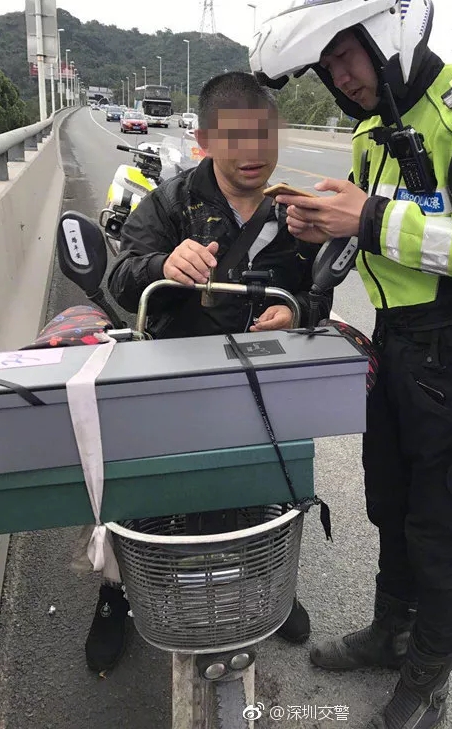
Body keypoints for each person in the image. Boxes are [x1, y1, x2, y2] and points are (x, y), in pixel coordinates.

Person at [250, 0, 452, 729]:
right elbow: (376, 237)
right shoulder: (373, 132)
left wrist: (371, 216)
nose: (341, 77)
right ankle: (391, 631)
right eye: (327, 67)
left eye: (347, 55)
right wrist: (324, 234)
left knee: (439, 529)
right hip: (400, 348)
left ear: (390, 31)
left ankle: (430, 674)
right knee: (389, 502)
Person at [83, 71, 332, 673]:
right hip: (173, 384)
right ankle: (117, 591)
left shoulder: (294, 215)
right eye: (235, 137)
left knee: (266, 486)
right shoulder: (171, 204)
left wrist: (294, 312)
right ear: (206, 139)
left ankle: (271, 580)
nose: (253, 152)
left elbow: (319, 297)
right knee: (144, 490)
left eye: (264, 135)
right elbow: (121, 282)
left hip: (261, 387)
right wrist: (162, 264)